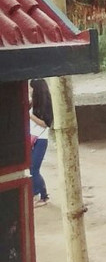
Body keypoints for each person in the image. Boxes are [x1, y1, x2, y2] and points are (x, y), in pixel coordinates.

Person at [28, 78, 52, 207]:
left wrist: (30, 116)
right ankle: (40, 194)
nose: (29, 90)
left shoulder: (46, 104)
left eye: (31, 88)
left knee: (34, 168)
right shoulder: (34, 102)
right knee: (31, 168)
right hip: (32, 137)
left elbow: (45, 124)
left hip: (41, 139)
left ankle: (41, 195)